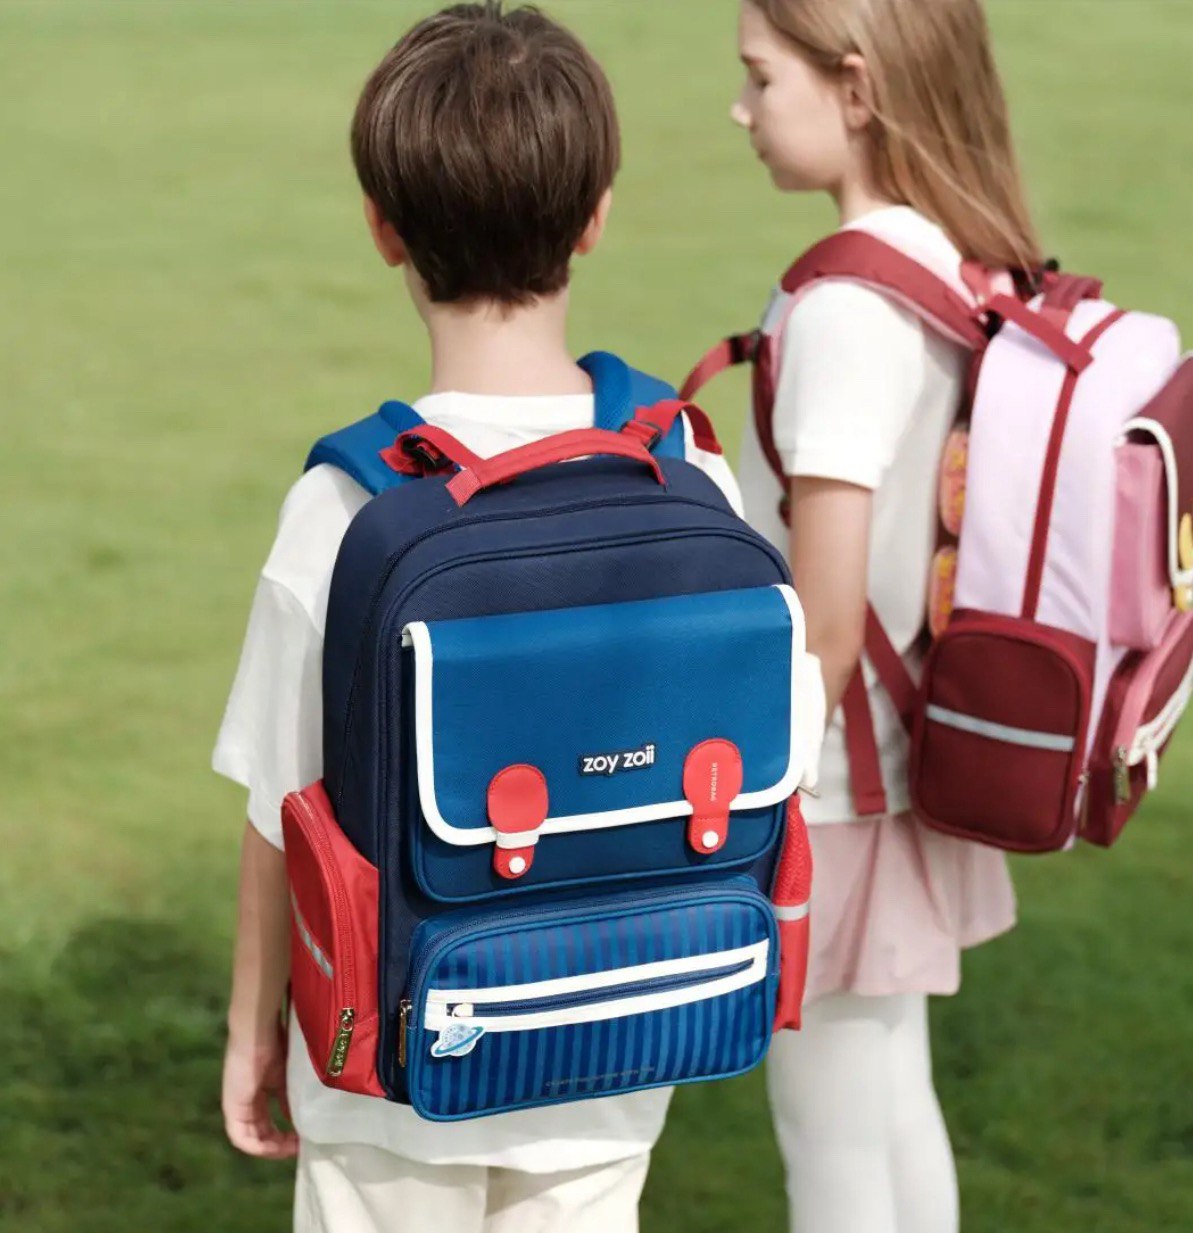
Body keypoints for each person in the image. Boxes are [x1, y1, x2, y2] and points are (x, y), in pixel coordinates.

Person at [212, 5, 740, 1231]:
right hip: (615, 1038)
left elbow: (277, 811)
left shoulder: (348, 504)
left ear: (381, 226)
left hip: (385, 1072)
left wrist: (253, 1030)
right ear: (595, 215)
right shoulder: (690, 476)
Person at [728, 2, 1031, 1229]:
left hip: (830, 785)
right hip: (901, 757)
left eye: (759, 78)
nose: (739, 110)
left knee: (830, 1140)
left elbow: (826, 618)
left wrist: (744, 794)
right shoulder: (950, 260)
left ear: (854, 90)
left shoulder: (846, 308)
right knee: (888, 1103)